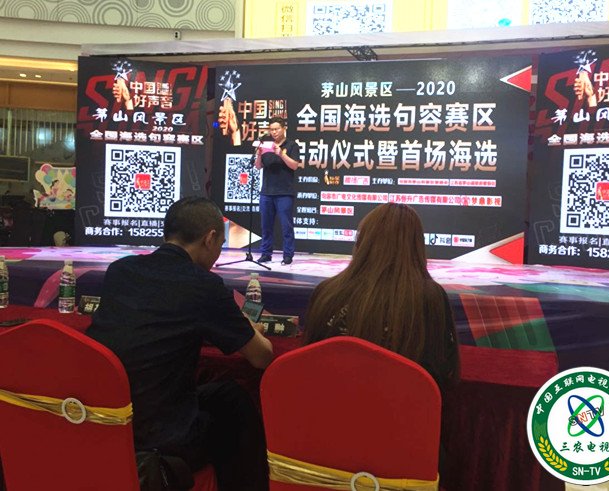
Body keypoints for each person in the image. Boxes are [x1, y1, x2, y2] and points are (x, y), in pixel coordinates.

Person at [87, 197, 273, 491]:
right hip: (160, 436)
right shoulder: (203, 285)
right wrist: (247, 327)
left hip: (109, 415)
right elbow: (262, 357)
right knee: (237, 416)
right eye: (220, 245)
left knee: (229, 395)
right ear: (210, 238)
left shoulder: (121, 271)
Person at [303, 202, 460, 390]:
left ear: (363, 242)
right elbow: (440, 372)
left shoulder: (327, 292)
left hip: (327, 403)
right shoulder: (430, 296)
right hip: (404, 405)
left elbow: (307, 364)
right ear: (416, 246)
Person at [254, 116, 301, 265]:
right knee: (266, 226)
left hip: (284, 192)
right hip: (266, 192)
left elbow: (294, 165)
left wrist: (281, 154)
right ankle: (266, 254)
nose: (274, 132)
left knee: (286, 226)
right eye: (272, 129)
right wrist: (259, 154)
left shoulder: (292, 145)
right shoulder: (267, 145)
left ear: (283, 129)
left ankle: (288, 255)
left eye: (277, 129)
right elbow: (258, 166)